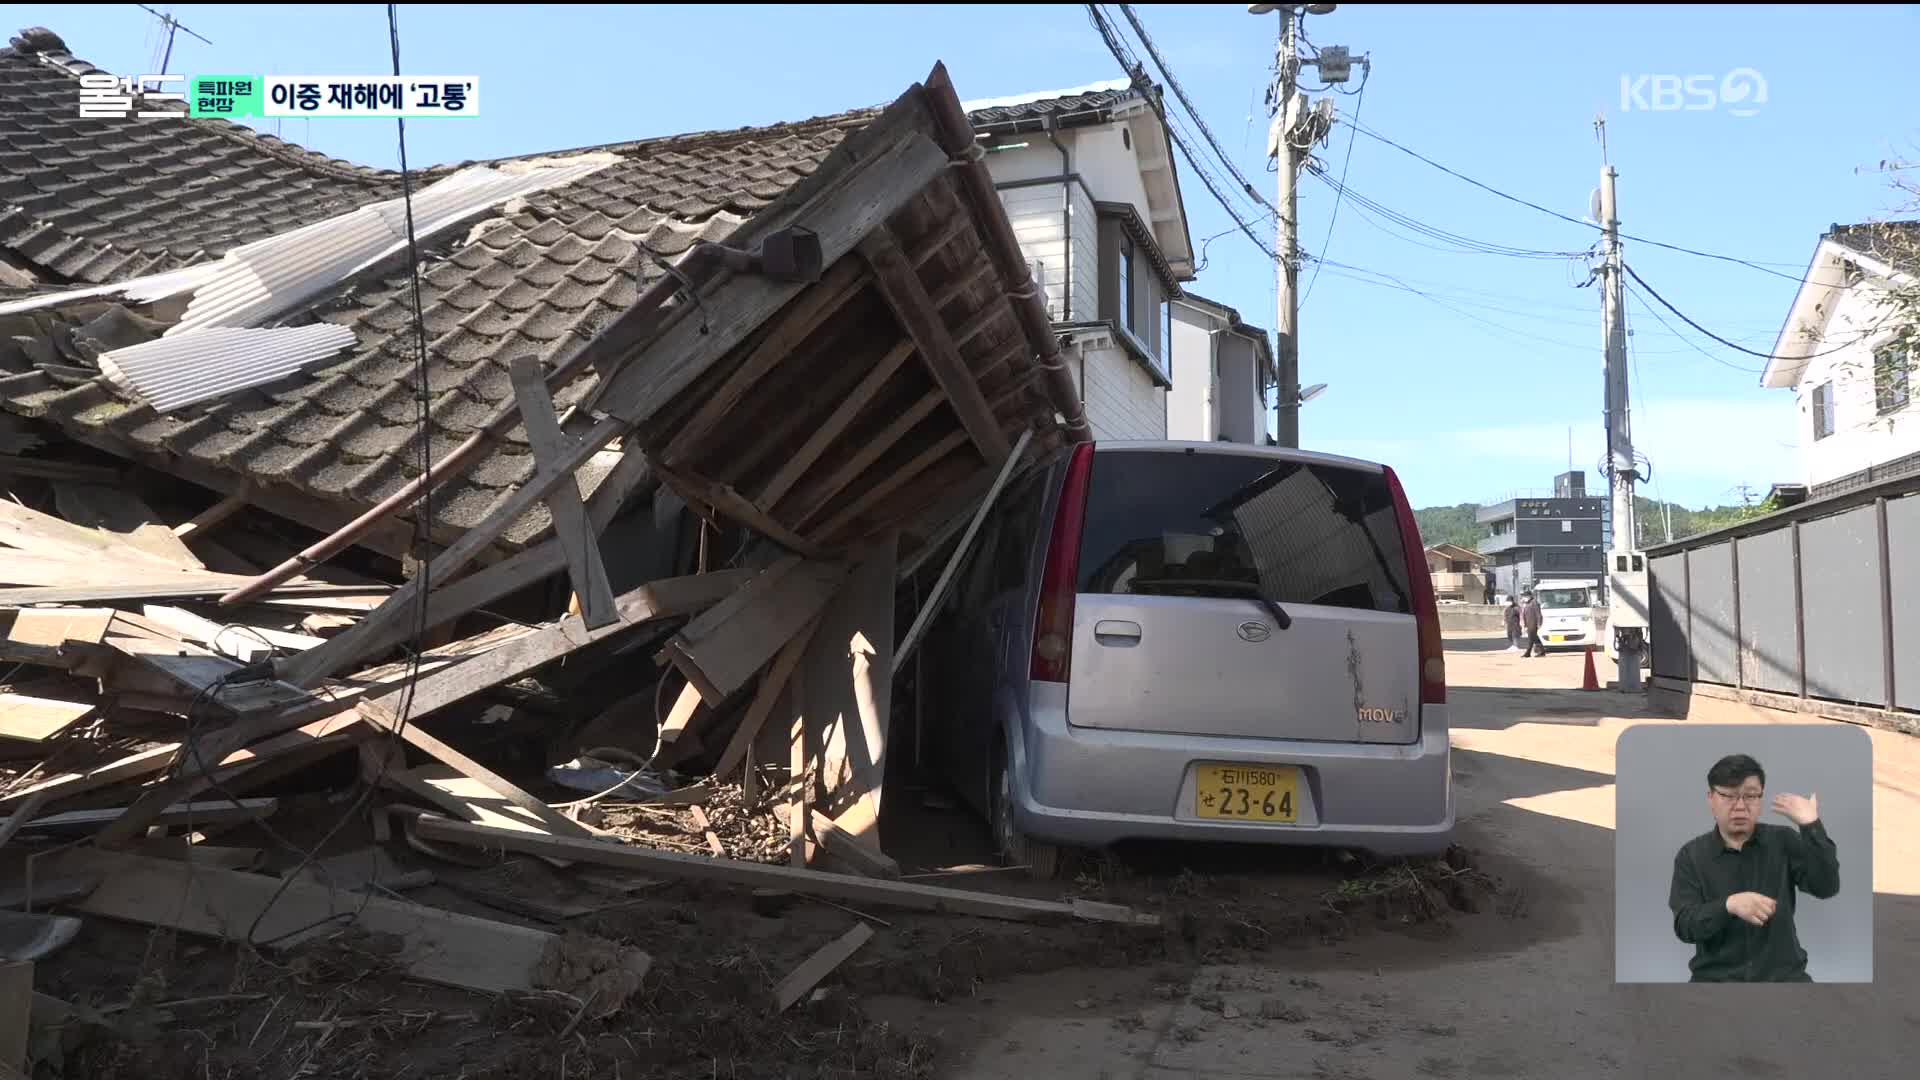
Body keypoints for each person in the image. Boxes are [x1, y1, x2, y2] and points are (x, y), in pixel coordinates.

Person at [1667, 754, 1839, 983]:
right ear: (1711, 799)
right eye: (1728, 796)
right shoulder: (1691, 855)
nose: (1740, 806)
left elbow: (1826, 886)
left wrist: (1811, 826)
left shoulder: (1783, 841)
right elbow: (1685, 926)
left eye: (1750, 796)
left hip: (1784, 979)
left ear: (1760, 799)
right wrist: (1728, 906)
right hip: (1715, 981)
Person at [1520, 590, 1544, 657]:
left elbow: (1538, 614)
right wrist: (1524, 625)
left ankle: (1531, 652)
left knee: (1532, 638)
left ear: (1530, 596)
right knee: (1533, 638)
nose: (1524, 598)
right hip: (1529, 624)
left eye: (1525, 596)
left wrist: (1539, 623)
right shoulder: (1527, 603)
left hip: (1533, 623)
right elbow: (1524, 614)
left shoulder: (1534, 602)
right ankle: (1532, 652)